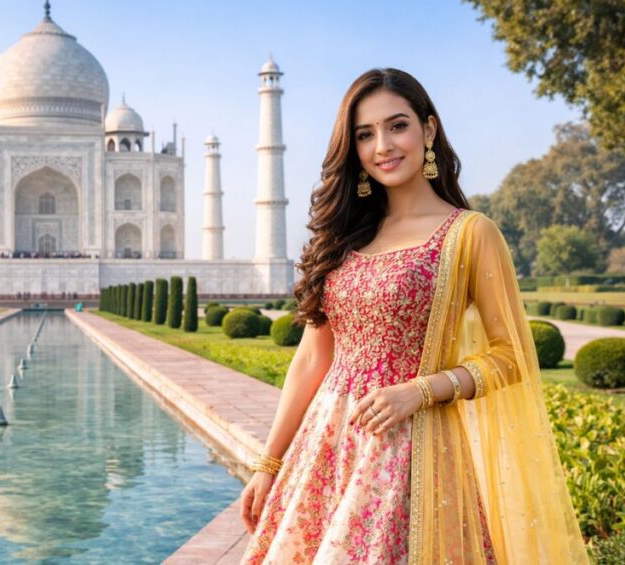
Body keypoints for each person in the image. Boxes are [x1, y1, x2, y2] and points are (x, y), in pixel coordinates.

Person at [238, 68, 588, 564]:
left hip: (412, 452)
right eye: (365, 134)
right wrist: (268, 464)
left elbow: (512, 356)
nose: (383, 145)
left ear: (428, 129)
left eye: (396, 125)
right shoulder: (344, 237)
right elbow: (312, 359)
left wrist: (421, 390)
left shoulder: (469, 233)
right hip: (326, 450)